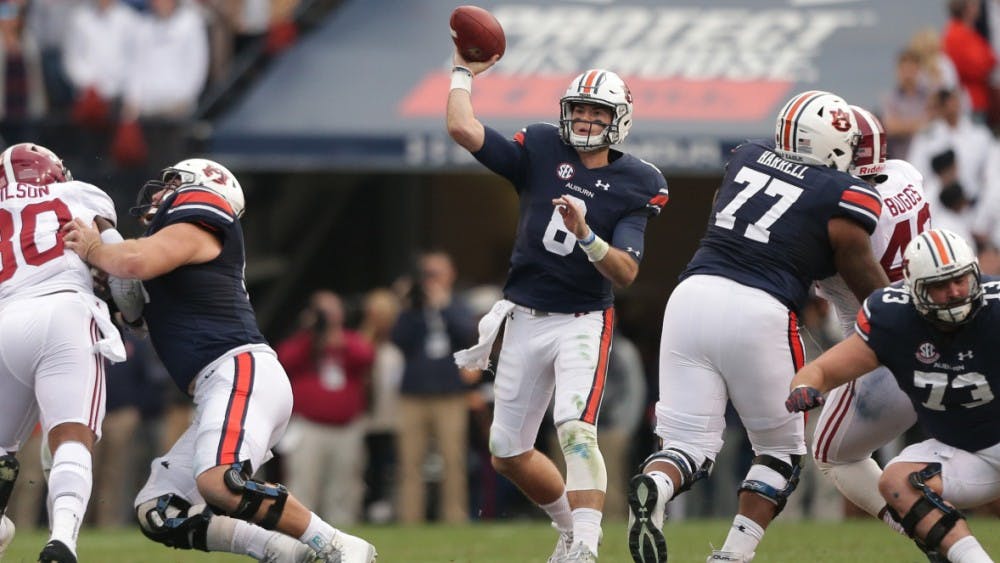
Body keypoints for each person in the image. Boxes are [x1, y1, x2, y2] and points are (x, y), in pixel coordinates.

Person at [61, 158, 377, 563]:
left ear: (200, 188)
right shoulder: (169, 252)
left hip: (238, 369)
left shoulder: (201, 217)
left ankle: (337, 546)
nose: (159, 192)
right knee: (159, 510)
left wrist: (94, 246)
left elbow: (134, 262)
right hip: (223, 383)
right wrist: (104, 244)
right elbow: (131, 301)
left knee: (218, 482)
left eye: (172, 182)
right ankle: (283, 552)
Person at [626, 90, 890, 563]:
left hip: (690, 295)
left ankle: (658, 484)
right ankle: (733, 555)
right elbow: (864, 278)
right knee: (778, 453)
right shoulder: (845, 195)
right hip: (760, 309)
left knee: (687, 446)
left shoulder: (745, 157)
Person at [447, 44, 669, 560]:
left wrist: (588, 235)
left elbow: (627, 271)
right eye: (581, 109)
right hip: (523, 317)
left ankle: (586, 549)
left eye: (599, 112)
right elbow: (464, 129)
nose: (587, 119)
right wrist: (462, 71)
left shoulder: (639, 182)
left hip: (581, 320)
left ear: (620, 120)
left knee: (574, 428)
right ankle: (570, 529)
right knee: (506, 453)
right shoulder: (542, 148)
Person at [786, 228, 1000, 563]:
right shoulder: (894, 318)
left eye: (960, 280)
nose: (955, 292)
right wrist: (805, 385)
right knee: (896, 481)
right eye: (940, 286)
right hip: (965, 453)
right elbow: (824, 370)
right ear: (915, 290)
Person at [809, 106, 941, 559]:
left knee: (829, 454)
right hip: (931, 333)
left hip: (878, 350)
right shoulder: (906, 173)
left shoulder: (843, 216)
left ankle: (928, 531)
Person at [0, 143, 127, 563]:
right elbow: (119, 265)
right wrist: (134, 309)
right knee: (72, 436)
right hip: (64, 309)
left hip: (5, 319)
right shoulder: (81, 194)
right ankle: (62, 542)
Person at [391, 251, 477, 524]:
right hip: (413, 395)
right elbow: (398, 339)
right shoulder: (413, 308)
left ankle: (454, 517)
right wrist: (406, 306)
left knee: (453, 459)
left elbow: (468, 336)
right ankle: (410, 518)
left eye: (437, 273)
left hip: (449, 394)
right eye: (427, 274)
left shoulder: (460, 305)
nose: (432, 280)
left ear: (451, 275)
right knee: (410, 461)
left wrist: (444, 307)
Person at [276, 290, 373, 526]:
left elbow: (367, 357)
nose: (328, 317)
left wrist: (340, 342)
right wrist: (310, 337)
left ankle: (343, 535)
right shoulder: (302, 342)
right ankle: (299, 532)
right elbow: (284, 360)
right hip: (309, 426)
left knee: (344, 486)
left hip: (346, 428)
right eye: (323, 311)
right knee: (303, 484)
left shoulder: (349, 340)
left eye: (333, 310)